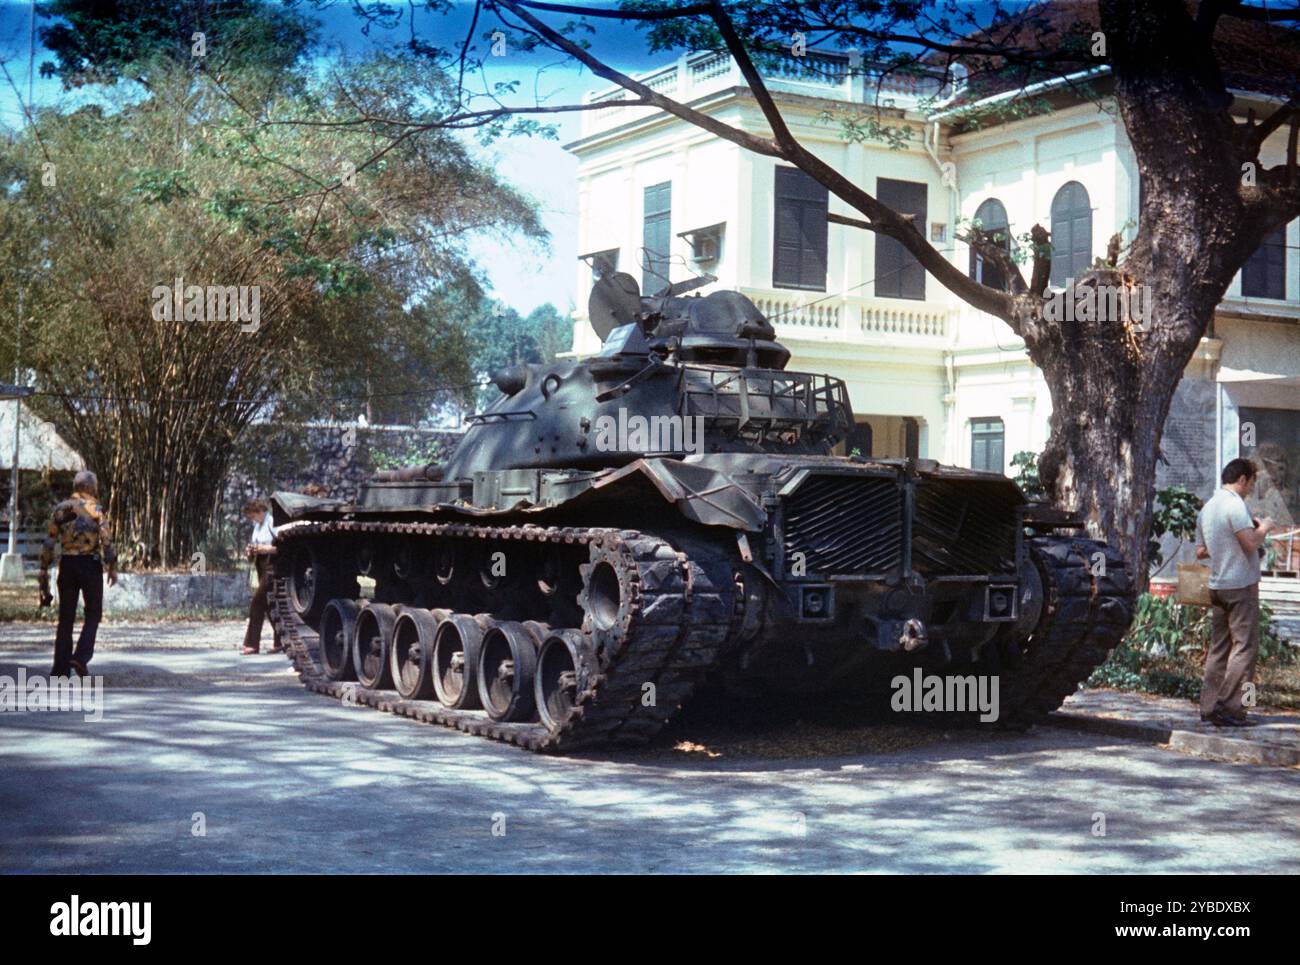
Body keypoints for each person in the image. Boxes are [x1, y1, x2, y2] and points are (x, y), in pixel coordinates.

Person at [1194, 458, 1275, 727]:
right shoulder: (1235, 505)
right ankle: (1231, 709)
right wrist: (1264, 526)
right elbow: (1251, 543)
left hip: (1218, 585)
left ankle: (1208, 708)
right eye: (1251, 482)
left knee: (1219, 648)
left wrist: (1225, 545)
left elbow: (1201, 552)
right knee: (1245, 647)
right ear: (1242, 479)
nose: (1251, 488)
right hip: (1240, 585)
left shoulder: (1208, 508)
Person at [39, 470, 118, 678]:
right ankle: (80, 657)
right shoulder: (95, 509)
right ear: (89, 487)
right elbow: (106, 539)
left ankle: (60, 668)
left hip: (67, 564)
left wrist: (43, 569)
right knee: (93, 613)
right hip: (89, 565)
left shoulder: (60, 509)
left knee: (66, 617)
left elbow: (49, 541)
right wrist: (112, 567)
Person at [241, 499, 280, 655]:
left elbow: (281, 547)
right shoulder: (257, 526)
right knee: (270, 606)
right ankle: (280, 641)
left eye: (253, 516)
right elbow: (254, 544)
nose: (253, 519)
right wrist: (251, 551)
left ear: (260, 511)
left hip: (272, 566)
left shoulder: (272, 522)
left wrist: (263, 549)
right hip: (261, 566)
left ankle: (252, 643)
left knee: (257, 603)